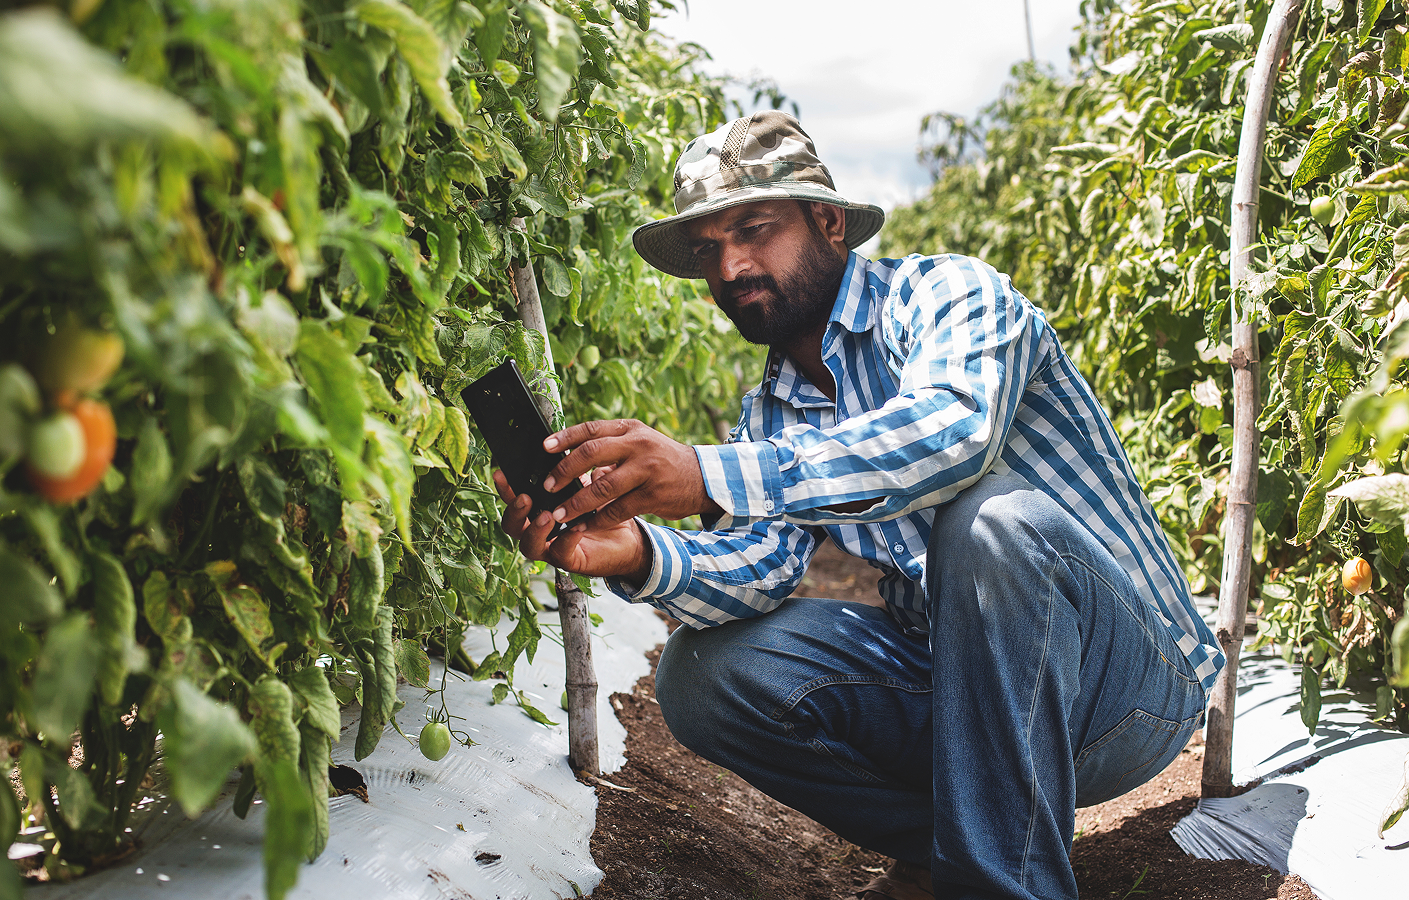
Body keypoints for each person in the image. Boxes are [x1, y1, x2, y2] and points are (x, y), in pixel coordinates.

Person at [495, 110, 1224, 900]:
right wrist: (636, 551)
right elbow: (758, 566)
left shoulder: (948, 294)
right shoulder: (771, 413)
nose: (730, 265)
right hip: (970, 705)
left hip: (1125, 692)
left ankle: (997, 884)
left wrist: (706, 472)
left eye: (754, 229)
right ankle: (960, 847)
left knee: (992, 521)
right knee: (704, 674)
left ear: (829, 222)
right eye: (706, 249)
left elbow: (952, 434)